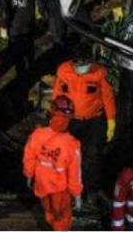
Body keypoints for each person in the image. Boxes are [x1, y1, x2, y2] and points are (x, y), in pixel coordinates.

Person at [52, 46, 116, 199]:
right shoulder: (63, 71)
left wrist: (111, 121)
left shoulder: (99, 73)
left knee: (93, 154)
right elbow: (58, 95)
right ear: (72, 63)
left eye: (85, 63)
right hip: (71, 120)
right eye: (79, 64)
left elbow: (108, 98)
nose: (82, 67)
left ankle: (92, 190)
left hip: (94, 121)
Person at [23, 95, 83, 231]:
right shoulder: (71, 144)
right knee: (62, 219)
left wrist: (29, 174)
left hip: (41, 185)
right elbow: (75, 172)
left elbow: (29, 156)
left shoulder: (38, 134)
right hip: (60, 190)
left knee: (48, 213)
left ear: (52, 111)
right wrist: (77, 194)